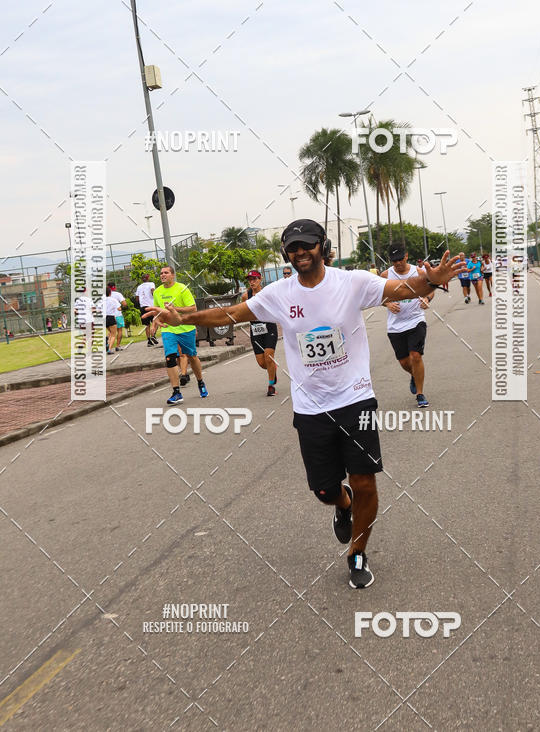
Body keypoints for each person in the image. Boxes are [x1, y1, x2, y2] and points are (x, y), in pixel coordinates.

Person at [144, 219, 465, 589]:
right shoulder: (279, 294)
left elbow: (403, 287)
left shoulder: (352, 282)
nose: (300, 252)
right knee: (326, 490)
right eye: (293, 247)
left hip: (355, 399)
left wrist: (433, 278)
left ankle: (357, 551)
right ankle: (342, 507)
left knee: (364, 480)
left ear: (322, 245)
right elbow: (231, 313)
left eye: (307, 245)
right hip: (311, 408)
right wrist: (182, 316)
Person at [380, 243, 434, 408]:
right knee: (404, 362)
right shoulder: (385, 275)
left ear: (406, 256)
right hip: (395, 326)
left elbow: (431, 288)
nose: (397, 263)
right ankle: (414, 375)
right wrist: (387, 304)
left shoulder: (418, 272)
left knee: (415, 356)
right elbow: (378, 296)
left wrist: (427, 299)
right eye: (394, 260)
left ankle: (420, 394)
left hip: (416, 319)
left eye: (400, 259)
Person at [150, 265, 208, 404]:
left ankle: (200, 382)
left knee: (191, 356)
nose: (162, 275)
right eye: (161, 273)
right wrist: (154, 323)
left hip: (186, 328)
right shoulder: (157, 292)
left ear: (173, 275)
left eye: (166, 272)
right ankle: (176, 392)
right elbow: (157, 311)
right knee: (170, 358)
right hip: (168, 329)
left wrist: (174, 309)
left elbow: (193, 308)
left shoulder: (182, 288)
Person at [241, 270, 279, 396]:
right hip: (256, 330)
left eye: (255, 279)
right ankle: (273, 370)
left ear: (260, 279)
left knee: (268, 357)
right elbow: (243, 311)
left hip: (269, 328)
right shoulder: (246, 296)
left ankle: (271, 385)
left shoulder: (267, 293)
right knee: (262, 363)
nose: (252, 282)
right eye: (250, 280)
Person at [135, 273, 157, 347]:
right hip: (151, 306)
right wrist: (155, 297)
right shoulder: (151, 284)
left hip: (143, 307)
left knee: (146, 325)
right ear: (148, 278)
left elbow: (137, 298)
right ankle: (153, 335)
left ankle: (149, 341)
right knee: (155, 321)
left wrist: (141, 302)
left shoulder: (139, 287)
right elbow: (152, 291)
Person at [109, 283, 127, 350]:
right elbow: (124, 304)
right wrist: (121, 307)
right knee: (119, 330)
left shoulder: (105, 296)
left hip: (109, 315)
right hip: (118, 315)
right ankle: (117, 346)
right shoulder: (118, 294)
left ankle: (109, 345)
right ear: (115, 287)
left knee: (111, 332)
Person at [104, 286, 121, 354]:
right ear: (110, 293)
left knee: (110, 332)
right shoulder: (113, 300)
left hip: (104, 318)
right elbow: (119, 308)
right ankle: (109, 349)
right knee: (114, 334)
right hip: (111, 317)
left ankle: (107, 343)